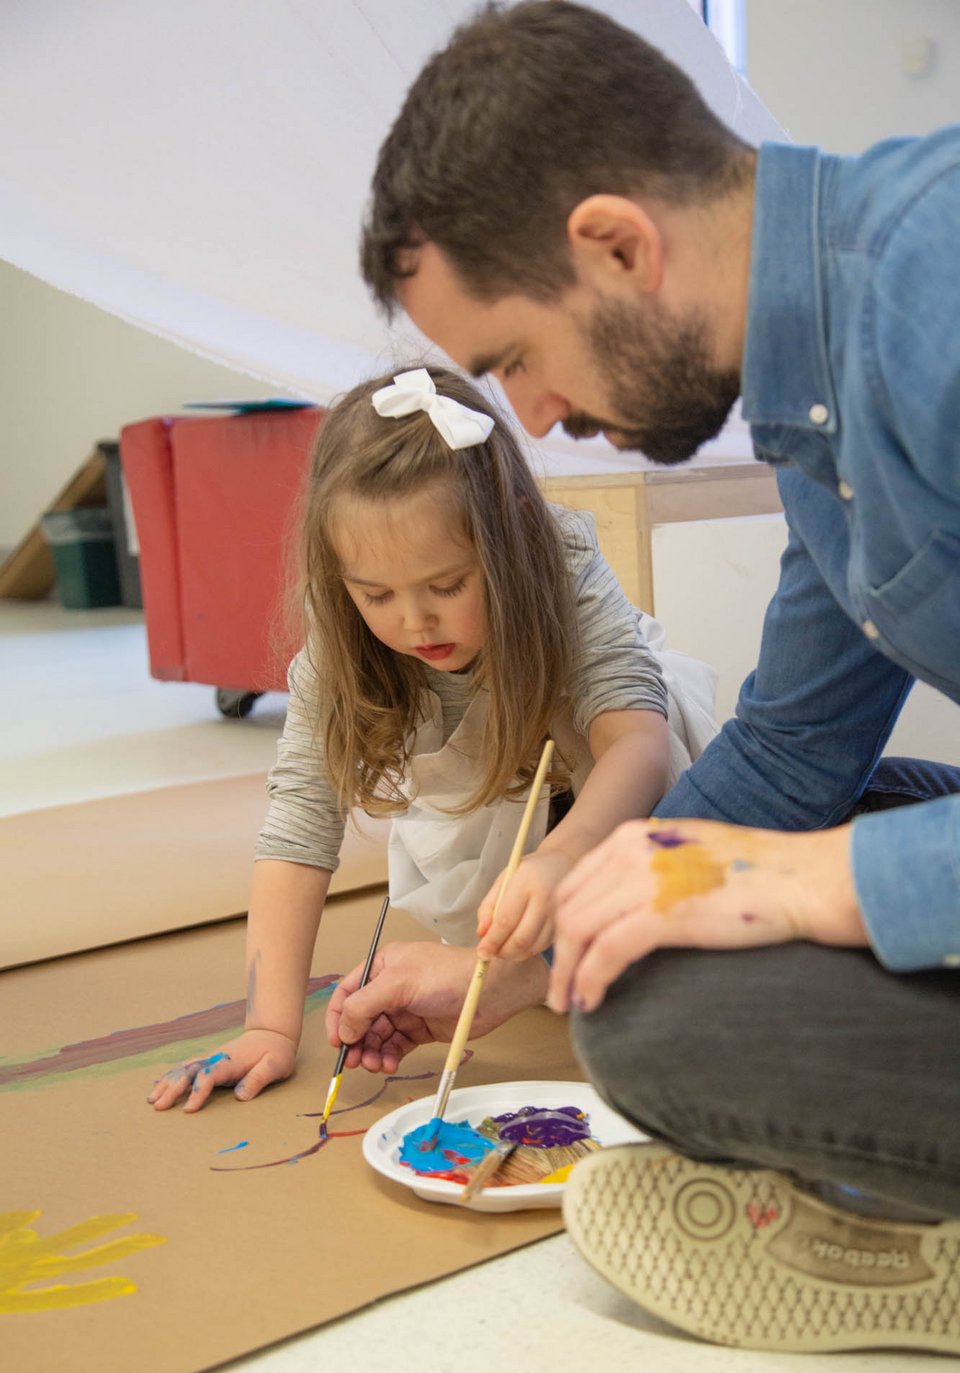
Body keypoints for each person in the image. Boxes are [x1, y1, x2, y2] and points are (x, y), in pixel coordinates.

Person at [353, 1, 960, 1352]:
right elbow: (795, 758)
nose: (542, 418)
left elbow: (784, 845)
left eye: (516, 359)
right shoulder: (821, 396)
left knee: (656, 1015)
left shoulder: (938, 283)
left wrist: (798, 884)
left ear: (618, 246)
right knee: (711, 889)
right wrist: (519, 961)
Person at [148, 363, 716, 1113]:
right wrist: (270, 1025)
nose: (414, 623)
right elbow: (298, 826)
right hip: (501, 793)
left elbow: (636, 743)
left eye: (446, 586)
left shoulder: (565, 567)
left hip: (613, 782)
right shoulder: (342, 645)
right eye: (376, 594)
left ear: (510, 535)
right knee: (501, 928)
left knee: (658, 935)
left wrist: (560, 860)